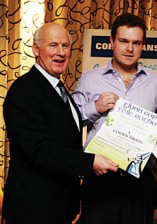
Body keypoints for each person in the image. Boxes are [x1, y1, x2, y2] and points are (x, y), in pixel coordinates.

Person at [2, 23, 118, 224]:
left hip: (58, 206)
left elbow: (63, 133)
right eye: (53, 45)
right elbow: (39, 149)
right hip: (32, 209)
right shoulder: (24, 91)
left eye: (65, 46)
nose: (61, 52)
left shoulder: (59, 88)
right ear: (36, 50)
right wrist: (90, 162)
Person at [72, 13, 157, 224]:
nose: (129, 49)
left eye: (136, 43)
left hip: (139, 180)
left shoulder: (156, 82)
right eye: (123, 41)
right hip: (100, 178)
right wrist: (95, 107)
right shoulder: (90, 79)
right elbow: (69, 121)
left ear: (143, 45)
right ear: (111, 42)